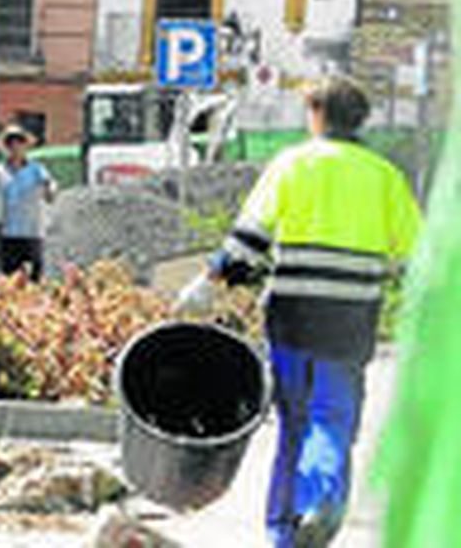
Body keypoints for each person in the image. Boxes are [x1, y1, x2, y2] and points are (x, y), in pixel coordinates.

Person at [175, 77, 420, 547]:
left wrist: (210, 281)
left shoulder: (292, 164)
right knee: (333, 418)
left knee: (292, 425)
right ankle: (323, 498)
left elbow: (250, 238)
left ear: (316, 115)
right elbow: (416, 256)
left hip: (292, 316)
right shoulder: (384, 176)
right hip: (351, 320)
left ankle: (282, 535)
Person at [0, 124, 56, 279]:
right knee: (10, 275)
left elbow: (50, 186)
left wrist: (48, 191)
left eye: (19, 143)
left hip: (32, 231)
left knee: (33, 275)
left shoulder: (36, 169)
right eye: (11, 143)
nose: (15, 147)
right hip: (7, 231)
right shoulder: (0, 171)